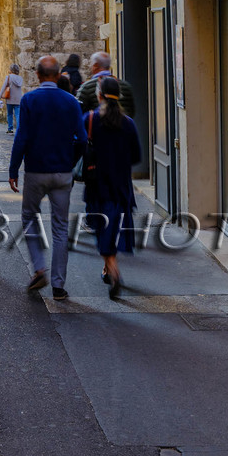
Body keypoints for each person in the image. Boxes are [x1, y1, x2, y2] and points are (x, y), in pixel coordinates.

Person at [9, 54, 87, 299]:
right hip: (62, 172)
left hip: (35, 170)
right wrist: (71, 163)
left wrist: (13, 170)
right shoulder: (72, 102)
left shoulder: (30, 99)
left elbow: (21, 137)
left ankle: (39, 267)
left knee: (29, 217)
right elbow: (83, 140)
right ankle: (58, 285)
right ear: (58, 75)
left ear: (38, 75)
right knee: (61, 228)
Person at [82, 76, 141, 299]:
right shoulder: (128, 123)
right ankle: (107, 268)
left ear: (99, 95)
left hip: (97, 183)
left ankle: (113, 269)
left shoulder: (90, 119)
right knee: (113, 227)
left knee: (101, 227)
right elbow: (136, 156)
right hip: (121, 184)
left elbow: (79, 147)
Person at [79, 51, 137, 118]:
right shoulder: (126, 86)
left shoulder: (86, 87)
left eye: (91, 64)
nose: (90, 67)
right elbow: (131, 111)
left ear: (95, 65)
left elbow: (79, 112)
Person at [0, 64, 24, 133]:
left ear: (11, 70)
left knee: (10, 114)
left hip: (10, 98)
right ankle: (19, 129)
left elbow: (3, 87)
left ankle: (10, 129)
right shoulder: (20, 78)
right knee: (18, 115)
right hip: (18, 99)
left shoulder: (9, 77)